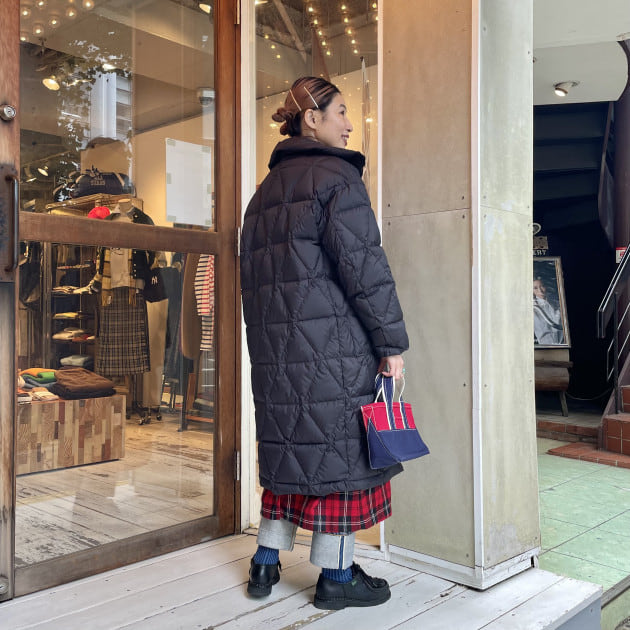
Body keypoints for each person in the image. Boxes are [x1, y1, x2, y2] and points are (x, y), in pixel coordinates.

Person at [240, 76, 409, 610]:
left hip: (276, 357)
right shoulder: (336, 179)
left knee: (293, 453)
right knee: (339, 461)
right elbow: (367, 271)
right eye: (340, 112)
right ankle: (336, 576)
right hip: (333, 350)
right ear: (311, 119)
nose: (349, 123)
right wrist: (391, 343)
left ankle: (264, 563)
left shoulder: (262, 195)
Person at [533, 277, 565, 344]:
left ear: (546, 286)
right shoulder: (533, 308)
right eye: (535, 288)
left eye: (542, 286)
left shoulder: (556, 302)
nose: (540, 291)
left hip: (563, 343)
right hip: (546, 345)